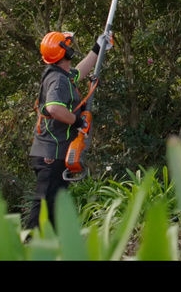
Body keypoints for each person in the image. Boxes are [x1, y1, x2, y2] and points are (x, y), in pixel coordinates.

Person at [24, 29, 112, 230]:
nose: (71, 47)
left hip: (56, 153)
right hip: (50, 154)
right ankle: (30, 247)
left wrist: (98, 48)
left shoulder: (62, 74)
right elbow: (55, 108)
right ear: (63, 51)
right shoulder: (57, 80)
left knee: (53, 206)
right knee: (44, 206)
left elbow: (80, 72)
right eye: (68, 45)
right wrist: (77, 121)